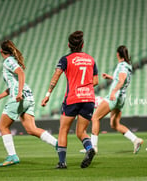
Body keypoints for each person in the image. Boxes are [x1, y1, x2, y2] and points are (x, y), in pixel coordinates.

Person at [0, 40, 57, 167]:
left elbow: (20, 73)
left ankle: (12, 156)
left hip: (19, 97)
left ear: (1, 51)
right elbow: (13, 84)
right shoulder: (12, 61)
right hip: (28, 97)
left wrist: (19, 93)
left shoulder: (8, 61)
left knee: (3, 127)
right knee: (31, 129)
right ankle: (58, 145)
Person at [41, 31, 98, 169]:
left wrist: (48, 95)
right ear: (82, 45)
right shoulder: (91, 60)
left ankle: (62, 162)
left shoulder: (65, 59)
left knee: (63, 129)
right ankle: (90, 148)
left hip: (73, 98)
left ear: (68, 45)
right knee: (81, 132)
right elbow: (95, 81)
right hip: (89, 98)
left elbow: (56, 76)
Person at [91, 45, 143, 154]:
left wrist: (114, 91)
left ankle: (93, 147)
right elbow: (120, 79)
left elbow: (122, 80)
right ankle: (135, 140)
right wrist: (110, 77)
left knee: (95, 118)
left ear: (118, 54)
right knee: (114, 124)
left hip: (115, 96)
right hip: (121, 98)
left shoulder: (122, 66)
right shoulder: (127, 66)